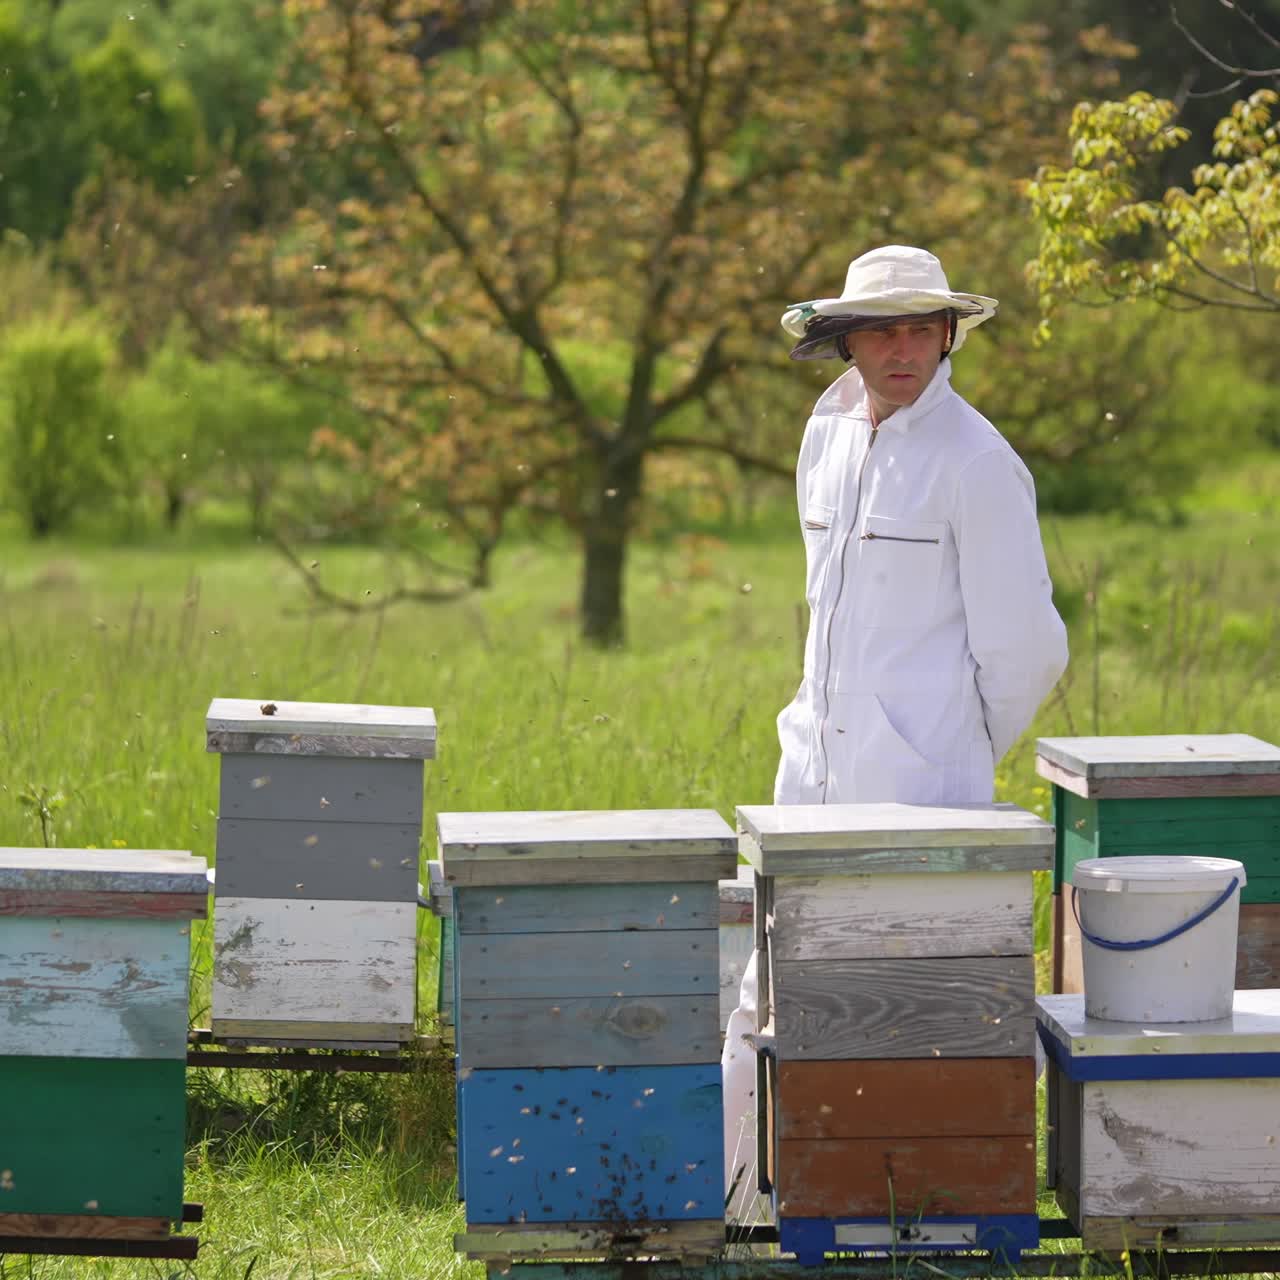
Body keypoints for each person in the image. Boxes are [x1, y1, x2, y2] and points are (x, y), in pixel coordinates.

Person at [721, 244, 1069, 1218]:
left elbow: (1026, 649)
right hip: (808, 780)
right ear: (846, 338)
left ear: (949, 334)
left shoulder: (976, 462)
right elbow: (822, 609)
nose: (904, 346)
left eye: (922, 326)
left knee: (924, 1013)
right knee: (768, 996)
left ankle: (929, 1215)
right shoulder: (824, 432)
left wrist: (942, 743)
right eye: (883, 326)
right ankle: (740, 1209)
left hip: (926, 794)